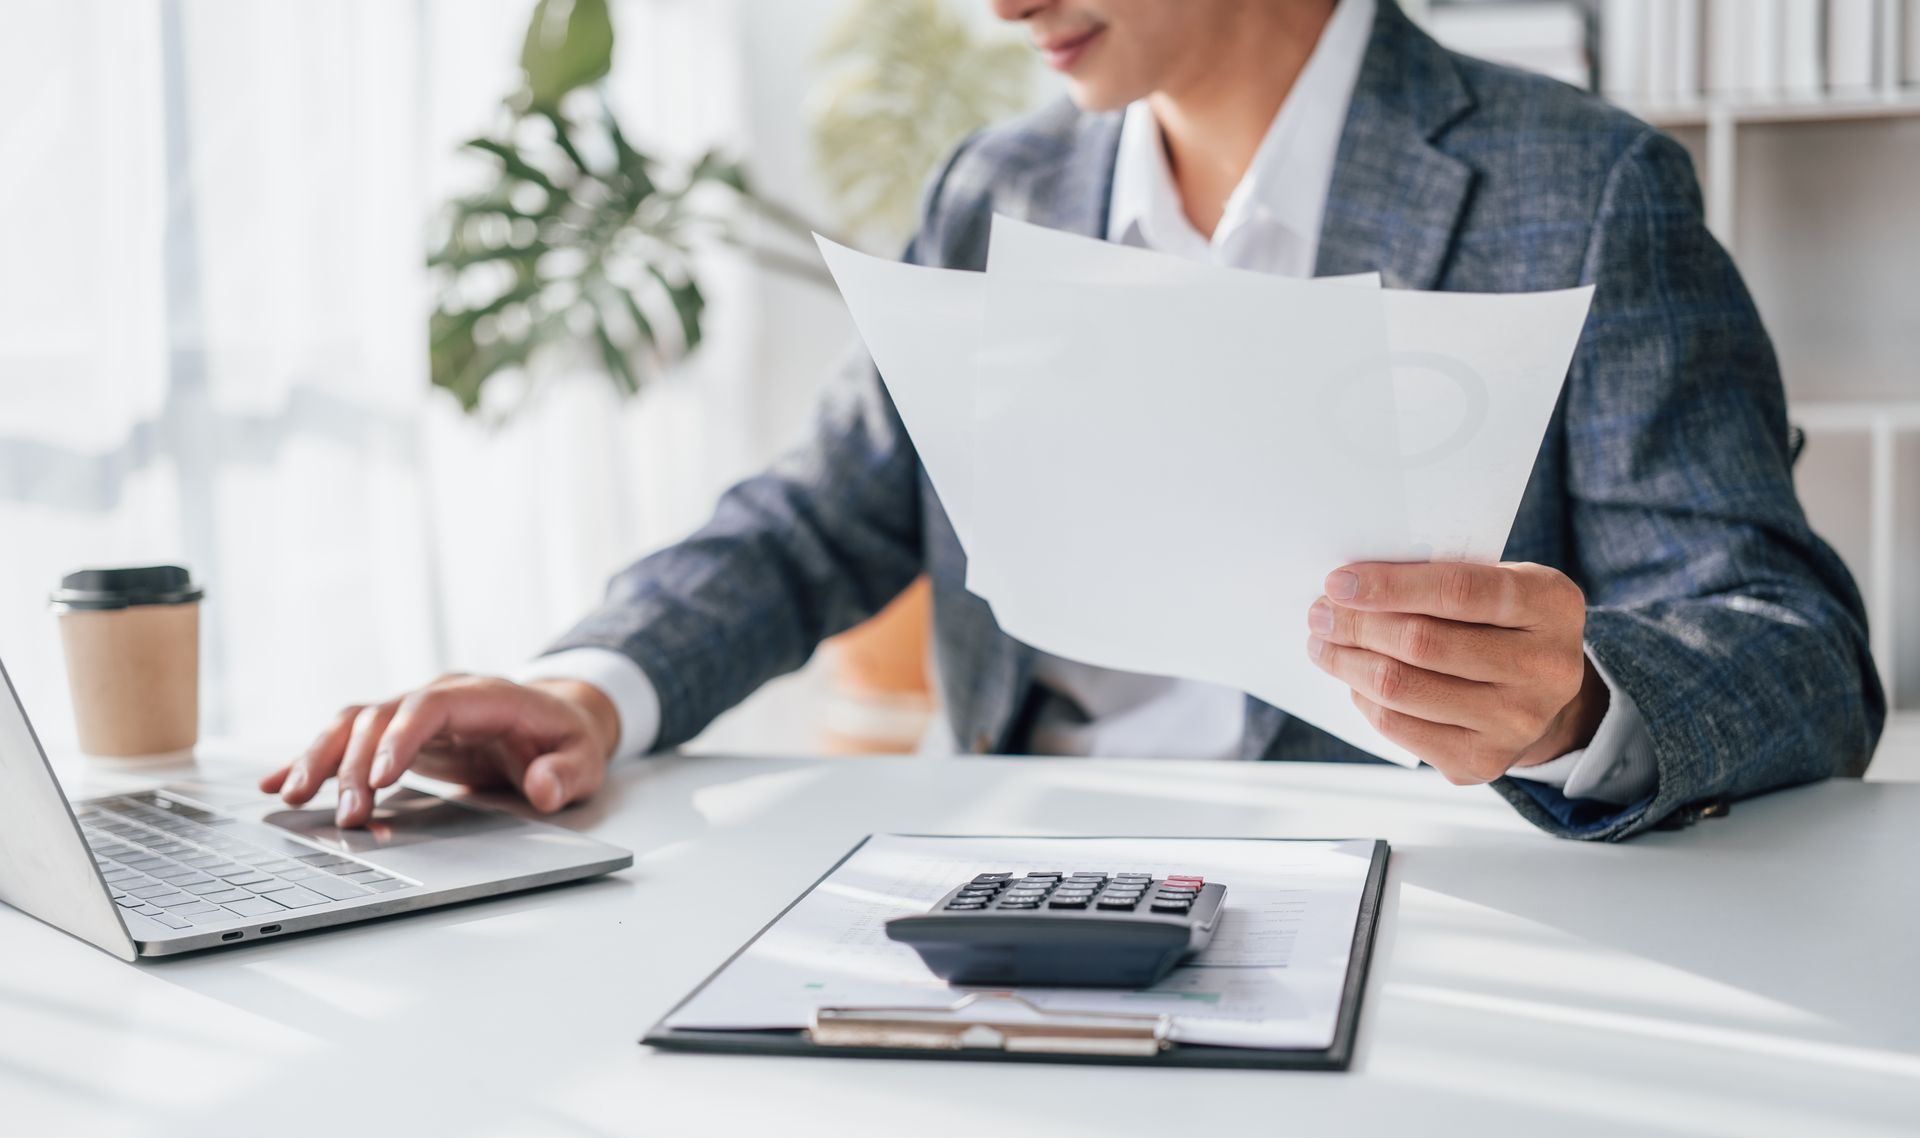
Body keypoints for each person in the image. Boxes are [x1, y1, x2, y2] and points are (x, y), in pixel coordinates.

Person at [263, 0, 1882, 840]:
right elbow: (821, 513)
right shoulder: (1002, 186)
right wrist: (589, 686)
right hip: (1014, 886)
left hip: (1421, 915)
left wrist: (1575, 705)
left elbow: (1792, 644)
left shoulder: (1582, 187)